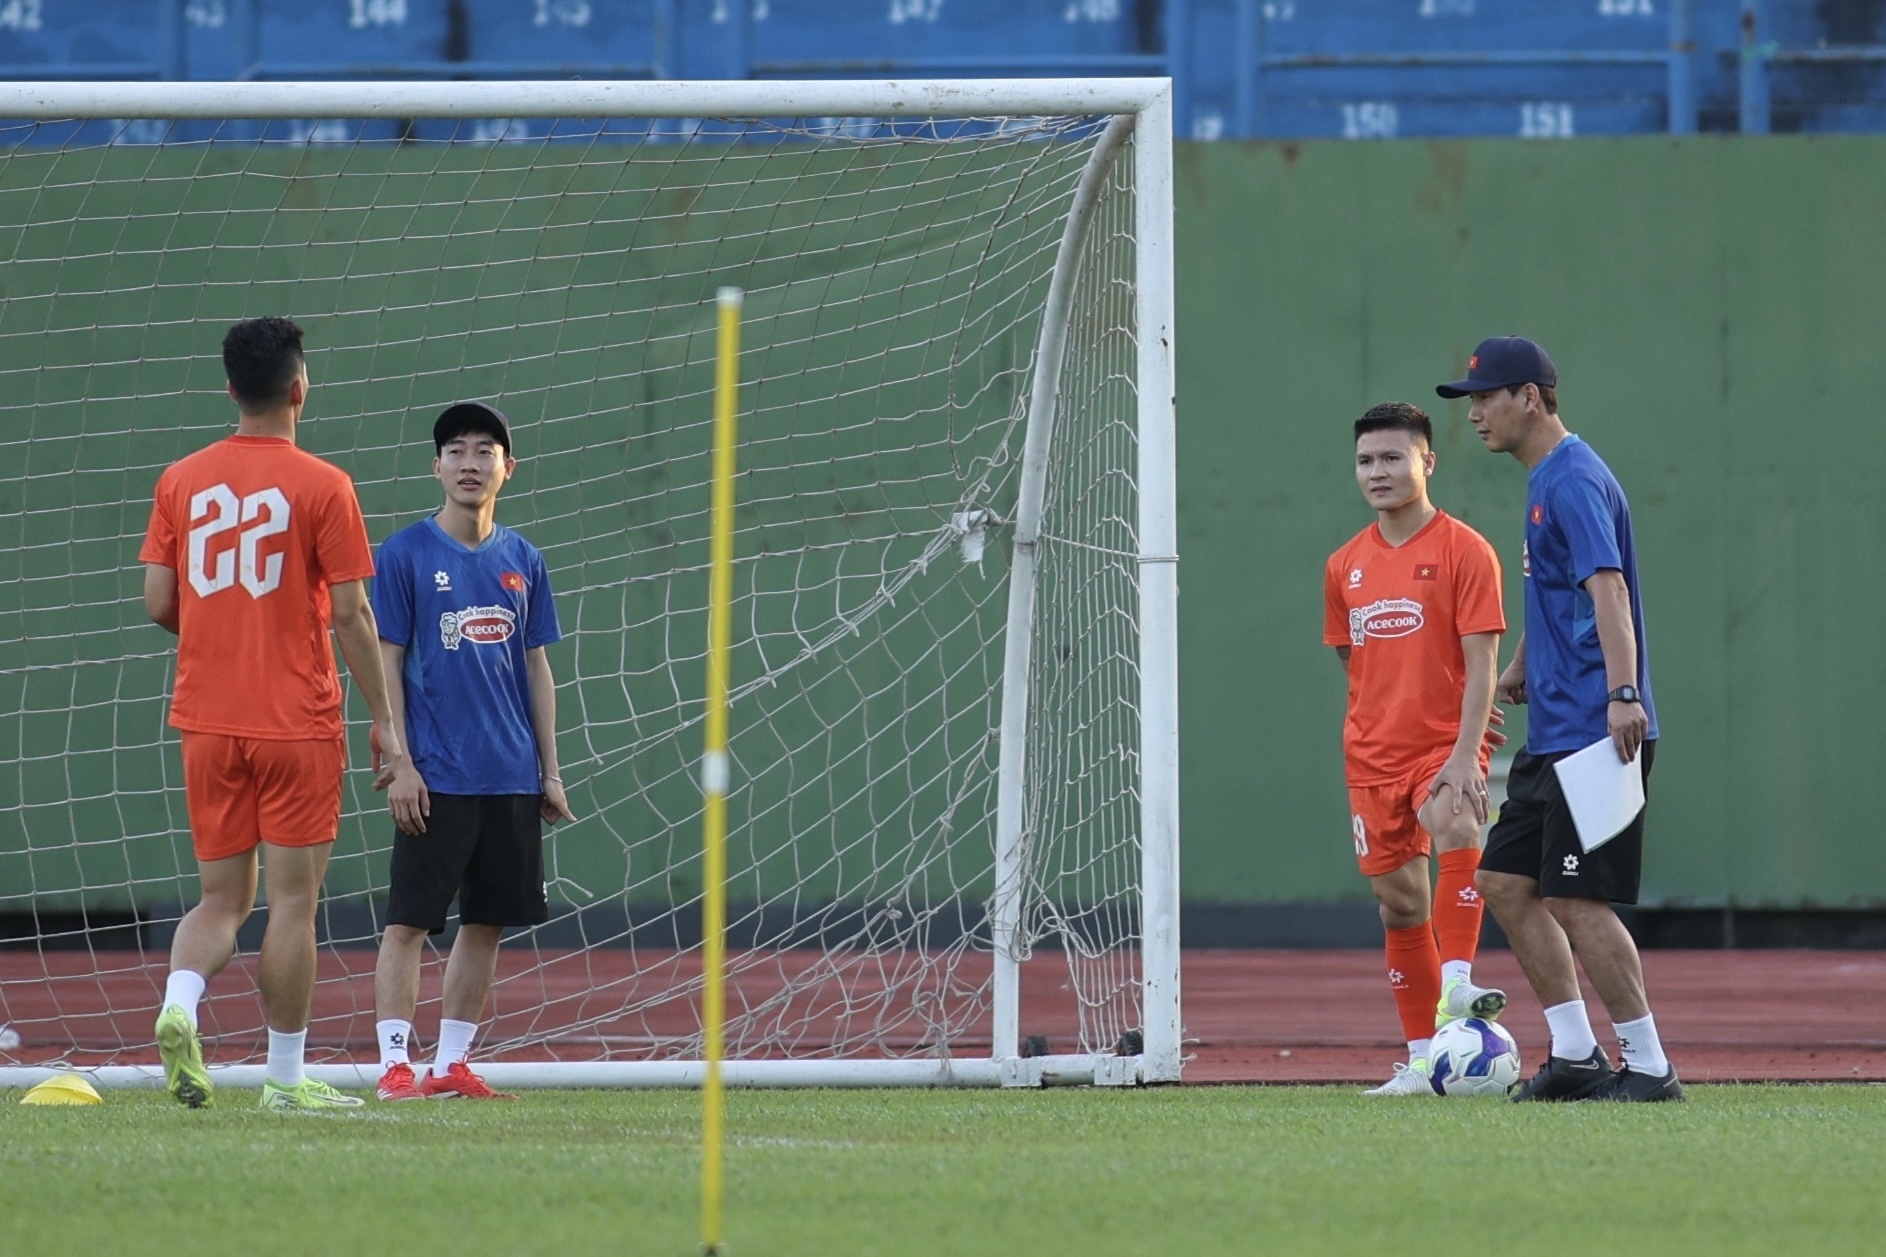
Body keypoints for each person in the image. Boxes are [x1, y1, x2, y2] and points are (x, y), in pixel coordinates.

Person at [141, 316, 407, 1111]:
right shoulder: (325, 484)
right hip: (296, 718)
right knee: (294, 903)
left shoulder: (181, 479)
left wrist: (223, 630)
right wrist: (386, 720)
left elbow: (158, 599)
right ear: (300, 387)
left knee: (221, 900)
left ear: (230, 388)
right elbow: (353, 615)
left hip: (207, 718)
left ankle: (179, 1005)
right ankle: (284, 1080)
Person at [1439, 336, 1682, 1102]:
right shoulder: (1547, 477)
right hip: (1557, 729)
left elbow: (1608, 592)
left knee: (1578, 897)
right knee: (1506, 882)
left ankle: (1649, 1066)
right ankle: (1576, 1053)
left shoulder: (1573, 478)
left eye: (1485, 397)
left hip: (1594, 728)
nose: (1474, 413)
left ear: (1532, 399)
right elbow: (1566, 599)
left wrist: (1623, 695)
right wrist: (1519, 669)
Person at [369, 402, 575, 1102]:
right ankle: (395, 1065)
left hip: (510, 775)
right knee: (408, 924)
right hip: (437, 775)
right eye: (455, 449)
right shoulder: (403, 556)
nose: (468, 462)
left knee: (486, 922)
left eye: (484, 450)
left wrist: (548, 769)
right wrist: (401, 760)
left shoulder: (524, 560)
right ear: (436, 466)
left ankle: (451, 1062)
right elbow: (386, 661)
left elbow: (537, 668)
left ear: (506, 469)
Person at [1324, 402, 1509, 1097]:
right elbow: (1354, 659)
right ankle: (1424, 1057)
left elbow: (1483, 661)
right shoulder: (1345, 565)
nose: (1378, 471)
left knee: (1459, 820)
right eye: (1367, 460)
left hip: (1444, 743)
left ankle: (1459, 986)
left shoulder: (1466, 550)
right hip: (1370, 757)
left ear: (1427, 462)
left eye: (1392, 457)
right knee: (1399, 906)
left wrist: (1465, 753)